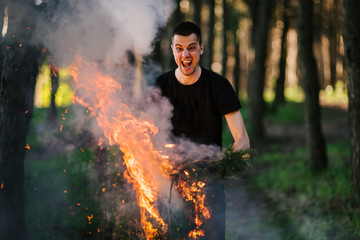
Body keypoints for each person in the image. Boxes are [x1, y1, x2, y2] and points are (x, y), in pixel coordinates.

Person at [156, 21, 250, 240]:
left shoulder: (218, 86)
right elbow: (145, 139)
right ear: (172, 50)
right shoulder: (159, 87)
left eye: (191, 47)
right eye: (179, 48)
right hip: (169, 193)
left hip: (210, 192)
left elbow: (243, 140)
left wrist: (219, 170)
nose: (185, 54)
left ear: (201, 48)